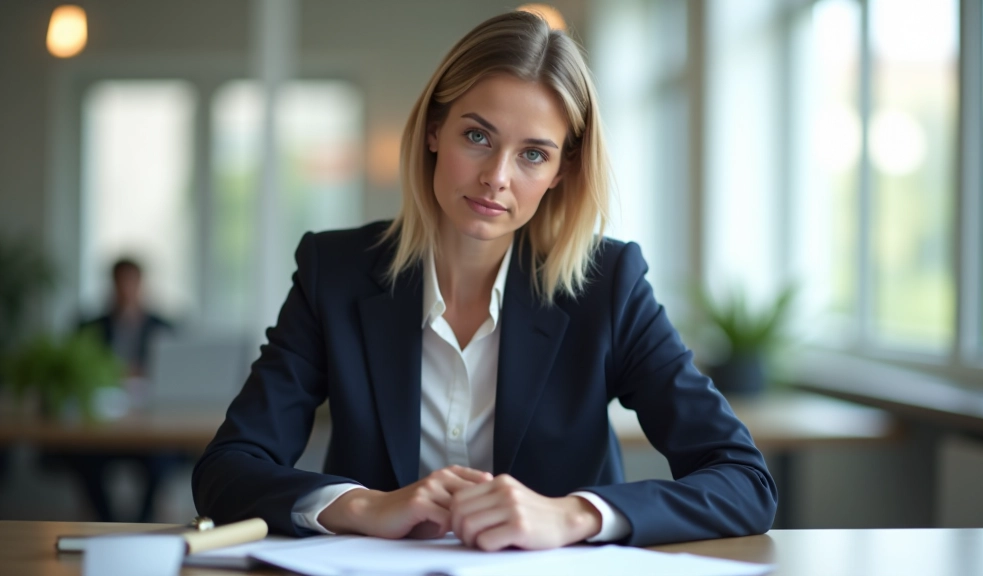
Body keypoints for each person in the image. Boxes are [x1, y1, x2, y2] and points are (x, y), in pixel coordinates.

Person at [193, 11, 777, 549]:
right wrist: (364, 506)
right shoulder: (335, 273)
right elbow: (229, 468)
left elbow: (744, 481)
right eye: (477, 136)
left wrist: (572, 515)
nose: (497, 177)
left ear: (561, 170)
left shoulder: (609, 286)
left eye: (533, 155)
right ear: (433, 131)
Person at [62, 257, 177, 523]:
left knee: (162, 458)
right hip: (102, 424)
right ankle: (108, 522)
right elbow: (76, 375)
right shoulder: (89, 326)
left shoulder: (164, 327)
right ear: (111, 285)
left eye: (131, 282)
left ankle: (141, 522)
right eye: (120, 282)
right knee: (84, 457)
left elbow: (174, 374)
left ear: (141, 284)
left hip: (151, 424)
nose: (126, 289)